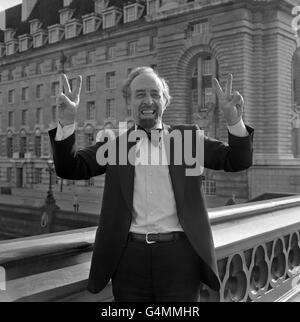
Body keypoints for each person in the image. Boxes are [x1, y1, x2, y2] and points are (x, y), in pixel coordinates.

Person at [49, 67, 254, 302]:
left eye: (155, 94)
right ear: (128, 102)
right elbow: (70, 168)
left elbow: (237, 160)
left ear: (165, 101)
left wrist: (234, 120)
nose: (148, 101)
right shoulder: (115, 145)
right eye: (140, 94)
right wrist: (66, 123)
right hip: (128, 261)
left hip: (179, 260)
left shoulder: (188, 139)